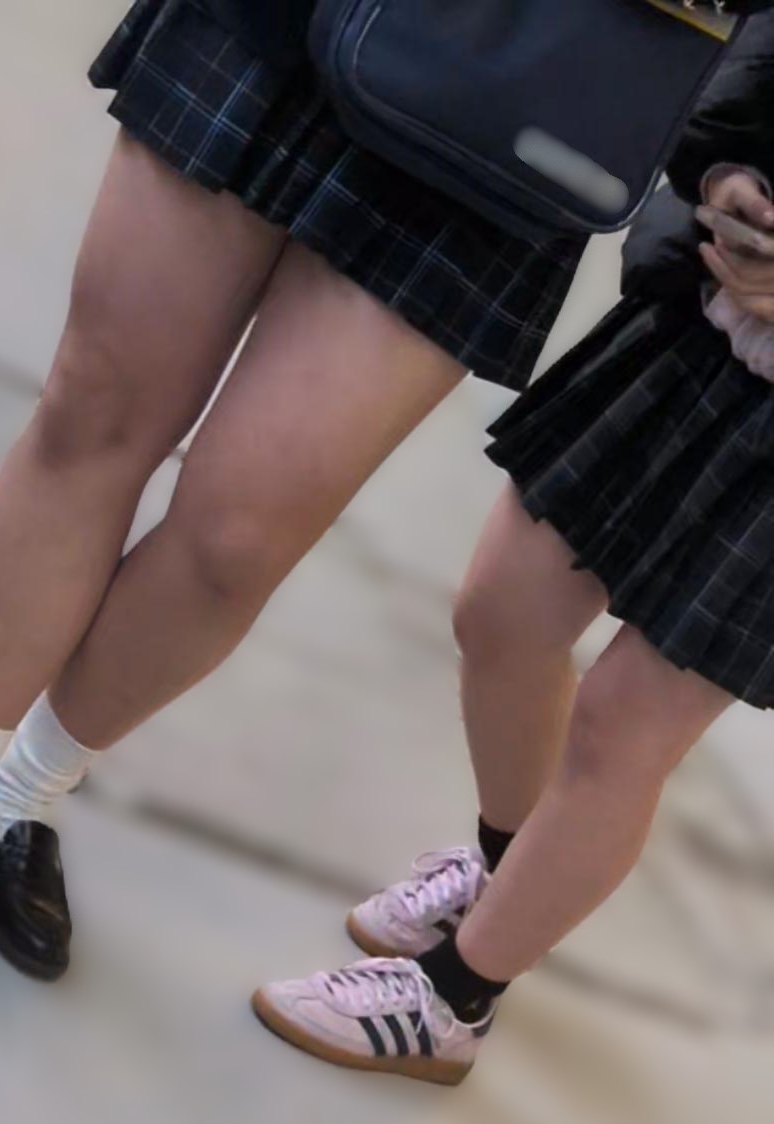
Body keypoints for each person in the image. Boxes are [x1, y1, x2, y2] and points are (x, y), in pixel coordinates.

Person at [0, 0, 595, 980]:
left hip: (530, 99)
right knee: (96, 408)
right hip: (289, 22)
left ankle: (24, 794)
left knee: (236, 539)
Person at [251, 20, 774, 1087]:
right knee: (502, 610)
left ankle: (454, 998)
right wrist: (726, 175)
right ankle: (502, 868)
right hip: (702, 321)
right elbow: (734, 62)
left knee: (622, 726)